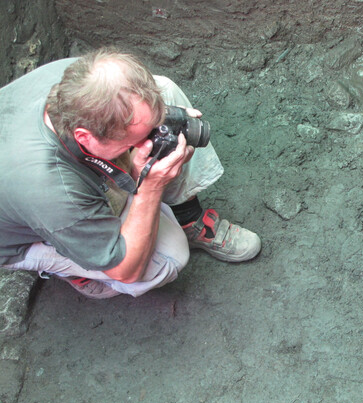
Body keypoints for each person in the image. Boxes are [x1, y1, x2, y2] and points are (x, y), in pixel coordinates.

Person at [0, 47, 261, 299]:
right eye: (130, 145)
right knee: (170, 256)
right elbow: (126, 269)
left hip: (42, 181)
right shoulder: (54, 191)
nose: (143, 145)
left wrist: (160, 125)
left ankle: (187, 217)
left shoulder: (77, 80)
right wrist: (150, 187)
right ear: (85, 137)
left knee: (165, 93)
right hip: (22, 230)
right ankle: (76, 265)